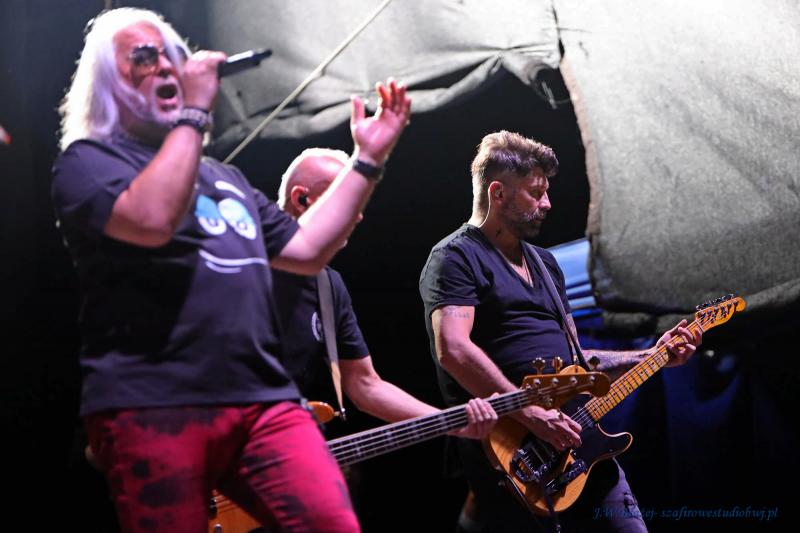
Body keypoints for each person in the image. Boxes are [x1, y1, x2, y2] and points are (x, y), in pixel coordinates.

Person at [51, 7, 411, 532]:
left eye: (173, 56)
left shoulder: (226, 180)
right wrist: (194, 113)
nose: (167, 67)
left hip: (262, 402)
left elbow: (308, 247)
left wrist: (367, 161)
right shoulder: (88, 164)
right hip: (152, 403)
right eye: (144, 57)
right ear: (108, 85)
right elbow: (152, 220)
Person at [418, 131, 703, 532]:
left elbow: (579, 360)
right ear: (498, 193)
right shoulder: (455, 257)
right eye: (536, 193)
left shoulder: (546, 264)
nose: (547, 203)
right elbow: (453, 350)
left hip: (579, 444)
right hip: (515, 457)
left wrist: (653, 355)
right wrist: (531, 414)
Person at [273, 147, 496, 439]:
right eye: (346, 200)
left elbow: (365, 384)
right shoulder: (241, 261)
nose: (358, 215)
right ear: (301, 199)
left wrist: (451, 423)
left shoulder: (327, 287)